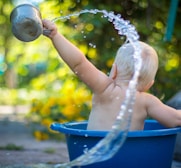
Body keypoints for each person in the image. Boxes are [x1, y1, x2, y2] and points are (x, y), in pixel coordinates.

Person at [42, 19, 181, 131]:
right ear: (150, 84)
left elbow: (79, 63)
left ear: (113, 71)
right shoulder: (147, 101)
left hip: (95, 157)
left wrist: (55, 35)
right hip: (131, 159)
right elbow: (176, 119)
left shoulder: (104, 88)